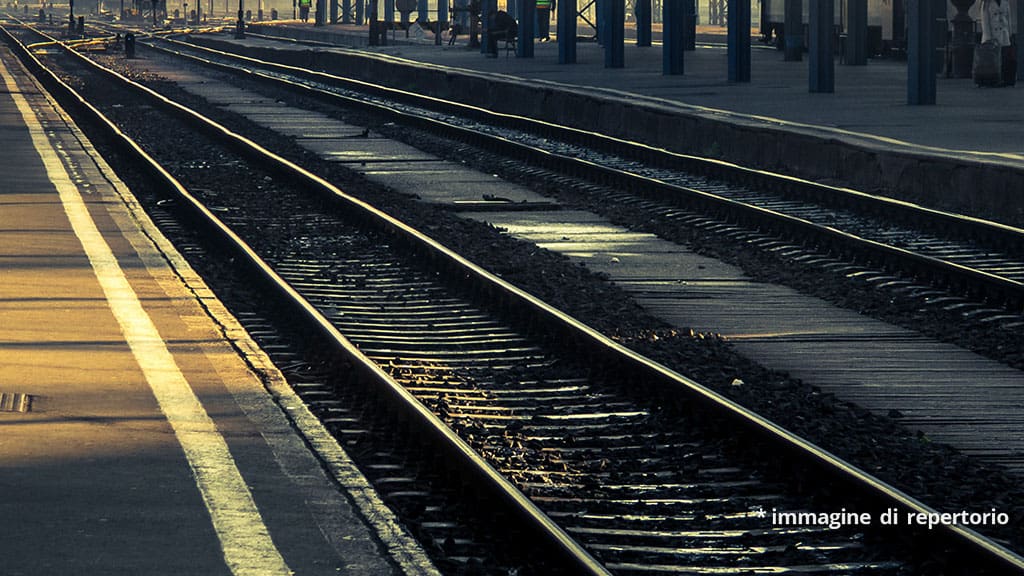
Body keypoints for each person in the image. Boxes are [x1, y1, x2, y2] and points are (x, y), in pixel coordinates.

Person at [980, 0, 1015, 86]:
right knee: (993, 59)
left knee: (1004, 57)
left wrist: (1010, 33)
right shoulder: (986, 3)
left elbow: (1008, 17)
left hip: (1004, 34)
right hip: (993, 35)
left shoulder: (1005, 2)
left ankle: (1003, 79)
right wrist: (988, 38)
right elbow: (985, 21)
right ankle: (993, 79)